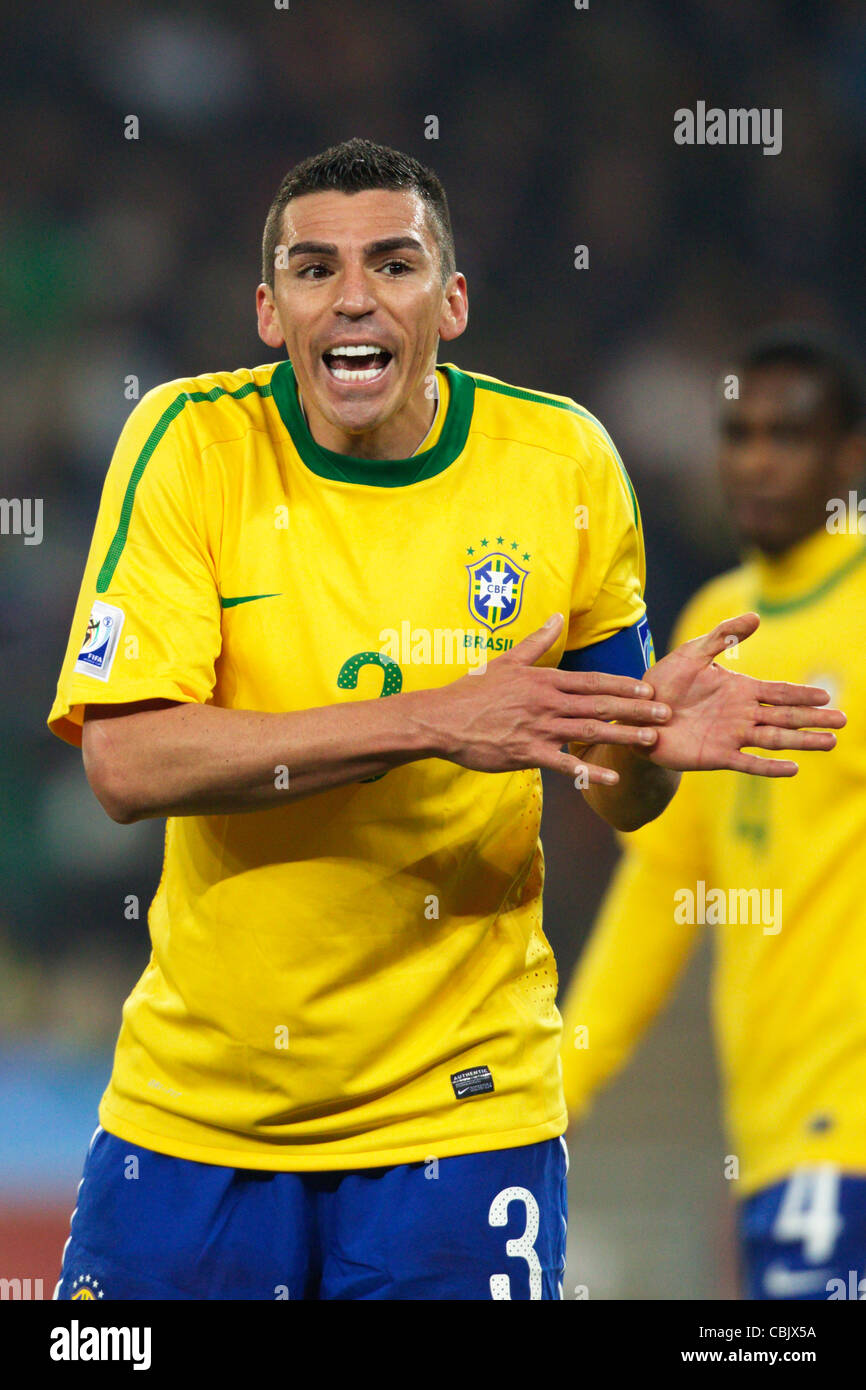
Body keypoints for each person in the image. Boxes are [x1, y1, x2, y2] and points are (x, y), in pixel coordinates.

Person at [47, 142, 842, 1301]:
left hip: (461, 1117)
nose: (353, 296)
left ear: (451, 302)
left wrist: (636, 748)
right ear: (270, 312)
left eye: (394, 263)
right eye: (314, 270)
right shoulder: (190, 446)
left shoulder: (560, 460)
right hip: (195, 1114)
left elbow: (615, 786)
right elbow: (125, 760)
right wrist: (427, 719)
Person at [560, 326, 866, 1301]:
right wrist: (557, 1083)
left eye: (789, 434)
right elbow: (661, 884)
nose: (757, 459)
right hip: (773, 1135)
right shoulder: (711, 627)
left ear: (848, 456)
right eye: (737, 434)